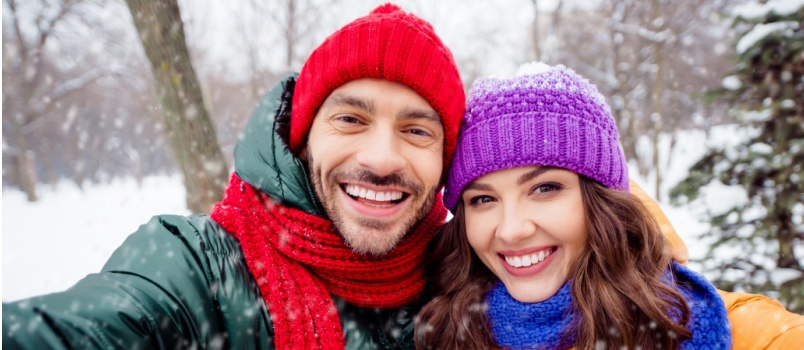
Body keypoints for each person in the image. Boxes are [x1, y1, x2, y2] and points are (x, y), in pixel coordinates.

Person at [3, 4, 465, 349]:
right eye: (350, 120)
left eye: (416, 130)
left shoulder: (467, 281)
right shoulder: (197, 265)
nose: (382, 159)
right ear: (303, 139)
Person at [416, 63, 804, 349]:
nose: (512, 229)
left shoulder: (742, 331)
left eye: (545, 188)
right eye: (483, 199)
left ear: (601, 200)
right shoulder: (436, 329)